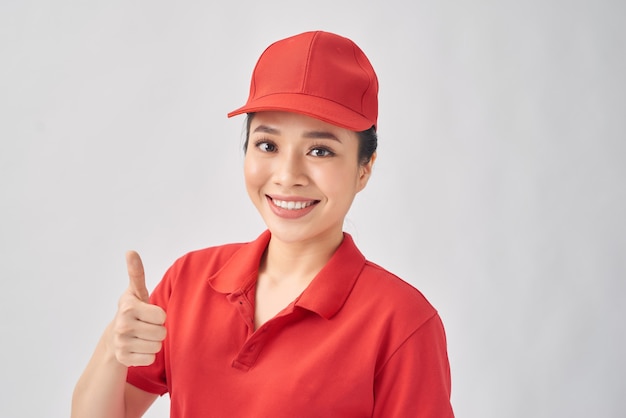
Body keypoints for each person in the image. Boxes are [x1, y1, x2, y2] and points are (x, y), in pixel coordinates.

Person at [71, 30, 454, 417]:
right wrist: (112, 348)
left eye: (320, 150)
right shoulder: (188, 281)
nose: (288, 175)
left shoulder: (401, 322)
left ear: (364, 169)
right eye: (268, 145)